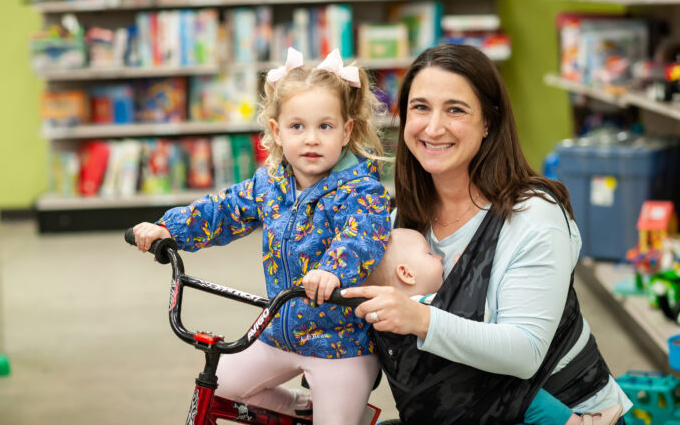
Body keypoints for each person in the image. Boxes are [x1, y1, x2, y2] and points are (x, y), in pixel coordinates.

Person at [341, 44, 633, 424]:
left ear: (488, 122)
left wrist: (420, 319)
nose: (433, 127)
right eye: (421, 107)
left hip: (562, 413)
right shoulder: (400, 225)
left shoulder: (532, 215)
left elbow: (525, 351)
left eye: (456, 110)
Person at [132, 47, 391, 425]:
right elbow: (221, 210)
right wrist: (168, 228)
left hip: (342, 346)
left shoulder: (361, 191)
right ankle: (299, 408)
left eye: (326, 126)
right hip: (277, 336)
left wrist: (333, 270)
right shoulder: (269, 184)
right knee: (216, 384)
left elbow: (362, 235)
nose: (312, 139)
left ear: (346, 130)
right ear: (277, 132)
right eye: (297, 127)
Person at [366, 227, 623, 425]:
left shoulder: (386, 315)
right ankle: (574, 422)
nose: (438, 258)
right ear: (407, 273)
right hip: (473, 395)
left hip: (437, 405)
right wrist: (464, 276)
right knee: (526, 396)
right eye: (429, 254)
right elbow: (479, 318)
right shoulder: (423, 305)